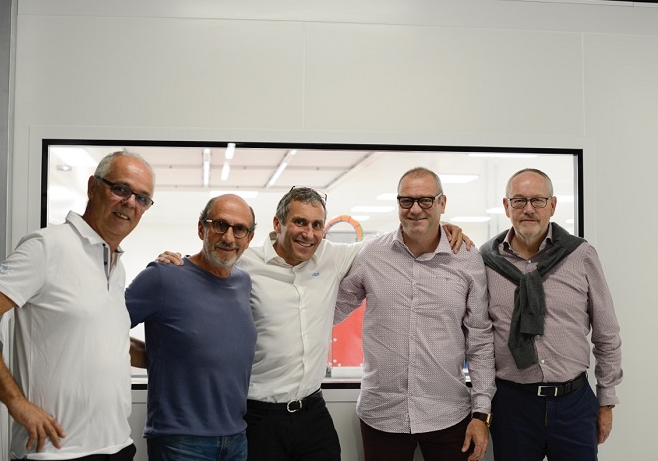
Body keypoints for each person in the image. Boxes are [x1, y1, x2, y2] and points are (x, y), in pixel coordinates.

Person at [158, 186, 468, 461]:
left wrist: (437, 229)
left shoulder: (332, 256)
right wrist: (173, 263)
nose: (309, 233)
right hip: (258, 415)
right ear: (278, 223)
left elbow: (390, 244)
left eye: (316, 225)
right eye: (299, 222)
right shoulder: (245, 262)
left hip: (312, 411)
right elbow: (207, 264)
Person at [0, 150, 155, 460]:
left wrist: (177, 354)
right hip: (53, 452)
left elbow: (102, 339)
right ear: (93, 187)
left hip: (116, 446)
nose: (131, 202)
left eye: (142, 198)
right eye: (121, 189)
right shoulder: (47, 247)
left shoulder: (116, 267)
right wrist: (15, 402)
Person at [334, 167, 495, 461]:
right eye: (406, 201)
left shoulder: (468, 259)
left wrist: (481, 412)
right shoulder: (372, 254)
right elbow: (333, 309)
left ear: (442, 203)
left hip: (448, 414)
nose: (415, 209)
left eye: (426, 201)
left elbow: (480, 341)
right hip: (382, 414)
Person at [479, 168, 623, 461]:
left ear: (552, 205)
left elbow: (607, 334)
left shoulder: (580, 255)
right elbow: (477, 339)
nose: (528, 209)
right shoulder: (485, 261)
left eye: (537, 200)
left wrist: (606, 401)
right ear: (506, 207)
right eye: (518, 201)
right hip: (512, 405)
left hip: (574, 403)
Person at [126, 194, 258, 461]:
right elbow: (104, 330)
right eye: (220, 224)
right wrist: (158, 360)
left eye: (239, 229)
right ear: (202, 228)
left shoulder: (243, 282)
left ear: (249, 238)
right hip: (181, 441)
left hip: (236, 437)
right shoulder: (163, 276)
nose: (229, 238)